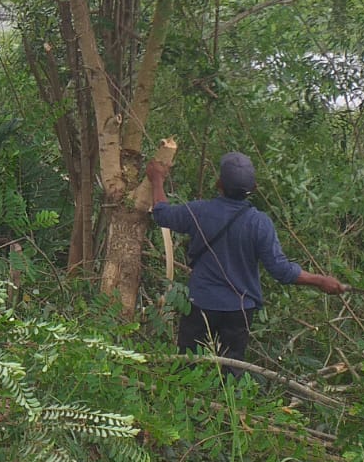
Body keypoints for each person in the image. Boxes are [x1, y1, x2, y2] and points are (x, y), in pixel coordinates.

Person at [146, 152, 345, 366]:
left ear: (218, 183)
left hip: (200, 305)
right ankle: (227, 400)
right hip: (239, 311)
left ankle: (187, 398)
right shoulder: (260, 223)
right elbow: (281, 271)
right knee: (232, 370)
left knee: (187, 366)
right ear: (255, 188)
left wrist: (157, 179)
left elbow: (162, 214)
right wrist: (320, 281)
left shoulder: (200, 211)